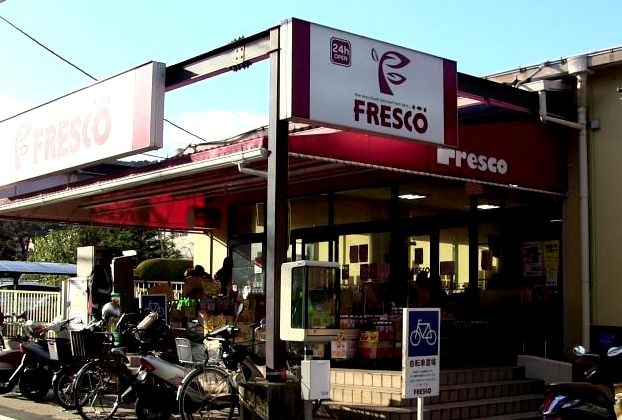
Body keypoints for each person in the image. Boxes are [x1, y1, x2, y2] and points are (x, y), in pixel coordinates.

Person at [87, 251, 114, 320]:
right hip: (99, 298)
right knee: (98, 317)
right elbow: (92, 286)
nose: (111, 261)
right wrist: (95, 302)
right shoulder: (98, 269)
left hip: (106, 297)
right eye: (109, 259)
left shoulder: (108, 268)